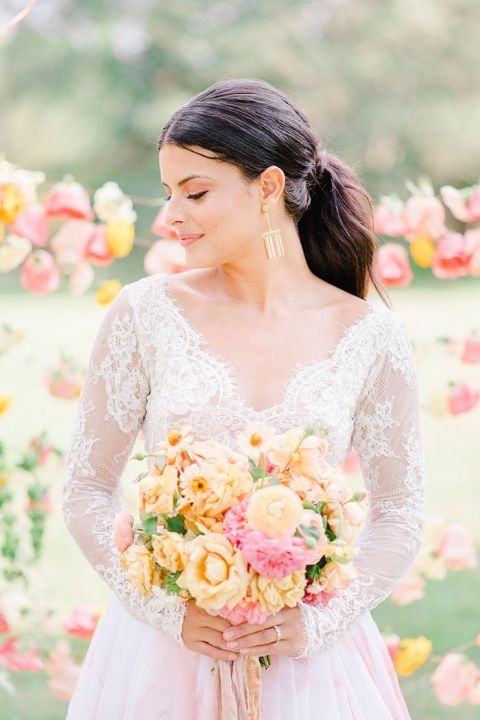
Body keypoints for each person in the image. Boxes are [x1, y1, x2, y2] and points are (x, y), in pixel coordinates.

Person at [63, 78, 425, 719]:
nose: (171, 215)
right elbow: (87, 487)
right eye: (170, 192)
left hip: (309, 667)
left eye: (195, 193)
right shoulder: (146, 314)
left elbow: (398, 514)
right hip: (161, 657)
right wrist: (165, 608)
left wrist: (318, 624)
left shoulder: (370, 336)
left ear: (267, 187)